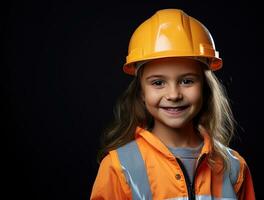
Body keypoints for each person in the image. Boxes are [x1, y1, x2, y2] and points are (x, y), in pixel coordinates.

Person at [90, 8, 255, 200]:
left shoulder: (234, 167)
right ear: (141, 92)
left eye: (187, 81)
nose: (174, 95)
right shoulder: (118, 167)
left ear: (205, 88)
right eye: (158, 83)